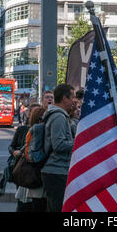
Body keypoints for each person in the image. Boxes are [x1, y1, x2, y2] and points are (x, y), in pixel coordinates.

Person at [41, 83, 75, 212]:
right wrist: (78, 142)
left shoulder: (59, 115)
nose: (74, 101)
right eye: (72, 97)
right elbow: (58, 145)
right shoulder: (58, 117)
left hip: (56, 171)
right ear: (65, 98)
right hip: (56, 171)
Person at [9, 102, 40, 212]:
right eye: (34, 112)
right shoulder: (22, 129)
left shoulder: (42, 130)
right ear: (30, 114)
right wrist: (14, 152)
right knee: (22, 203)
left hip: (35, 172)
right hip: (22, 170)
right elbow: (11, 146)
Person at [25, 105, 47, 212]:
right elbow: (31, 156)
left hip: (37, 176)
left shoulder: (37, 130)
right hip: (35, 175)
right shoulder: (35, 130)